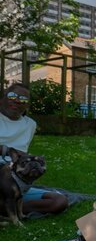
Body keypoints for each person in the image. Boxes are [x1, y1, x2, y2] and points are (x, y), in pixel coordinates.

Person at [0, 83, 68, 215]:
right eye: (13, 95)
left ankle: (8, 207)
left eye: (23, 99)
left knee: (59, 201)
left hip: (16, 178)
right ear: (4, 96)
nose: (17, 101)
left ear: (27, 105)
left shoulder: (30, 125)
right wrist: (6, 150)